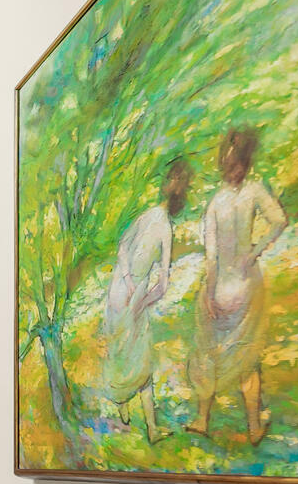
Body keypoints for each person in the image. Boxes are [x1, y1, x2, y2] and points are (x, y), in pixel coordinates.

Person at [187, 128, 287, 444]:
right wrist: (211, 292)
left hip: (235, 286)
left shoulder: (223, 200)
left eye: (238, 164)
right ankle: (222, 422)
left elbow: (279, 221)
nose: (235, 170)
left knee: (231, 354)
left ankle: (229, 423)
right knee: (225, 354)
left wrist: (253, 254)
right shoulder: (237, 195)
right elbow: (278, 221)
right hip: (232, 284)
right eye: (232, 165)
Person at [105, 158, 191, 442]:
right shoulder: (159, 223)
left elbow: (125, 248)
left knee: (128, 354)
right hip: (127, 292)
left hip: (124, 291)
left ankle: (135, 419)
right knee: (132, 356)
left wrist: (135, 293)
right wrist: (135, 289)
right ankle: (142, 423)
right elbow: (160, 284)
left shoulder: (154, 219)